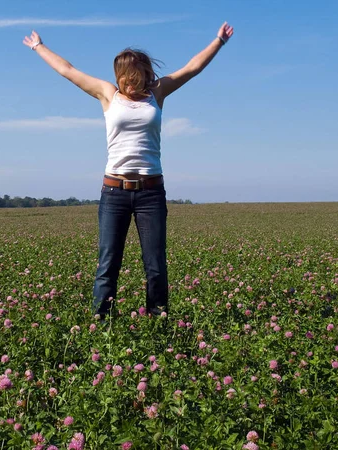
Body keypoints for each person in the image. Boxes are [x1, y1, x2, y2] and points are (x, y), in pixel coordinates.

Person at [23, 23, 234, 319]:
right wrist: (39, 47)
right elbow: (68, 70)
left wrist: (218, 42)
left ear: (145, 74)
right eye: (124, 77)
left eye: (136, 77)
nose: (130, 83)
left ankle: (157, 319)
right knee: (108, 262)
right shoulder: (108, 94)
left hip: (151, 192)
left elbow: (191, 68)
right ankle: (101, 321)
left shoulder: (157, 93)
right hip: (114, 193)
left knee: (156, 264)